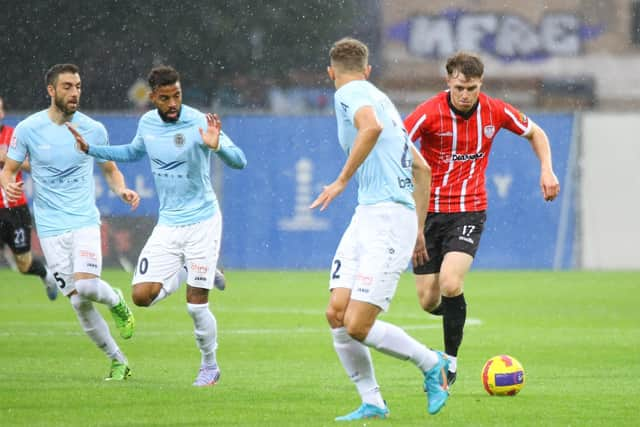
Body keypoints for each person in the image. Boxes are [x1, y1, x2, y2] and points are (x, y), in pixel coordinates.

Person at [69, 65, 247, 386]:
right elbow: (132, 152)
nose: (173, 103)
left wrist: (217, 144)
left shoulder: (199, 122)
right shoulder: (147, 123)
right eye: (165, 98)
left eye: (177, 95)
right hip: (169, 224)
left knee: (196, 307)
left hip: (203, 222)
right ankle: (187, 270)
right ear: (153, 97)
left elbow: (240, 160)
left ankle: (209, 366)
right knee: (141, 296)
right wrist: (91, 150)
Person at [310, 37, 450, 421]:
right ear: (368, 69)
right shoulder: (382, 99)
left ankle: (431, 363)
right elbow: (423, 169)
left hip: (386, 220)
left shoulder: (349, 92)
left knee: (357, 324)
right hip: (372, 216)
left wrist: (340, 180)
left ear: (330, 72)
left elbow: (367, 129)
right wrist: (418, 228)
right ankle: (372, 400)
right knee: (337, 312)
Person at [403, 52, 561, 386]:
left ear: (481, 84)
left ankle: (449, 364)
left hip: (469, 211)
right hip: (428, 214)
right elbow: (395, 143)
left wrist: (546, 169)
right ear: (448, 81)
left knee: (450, 282)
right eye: (459, 87)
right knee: (428, 300)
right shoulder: (428, 113)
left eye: (471, 88)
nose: (464, 94)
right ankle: (456, 315)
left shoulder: (496, 111)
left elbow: (537, 133)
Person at [0, 64, 139, 381]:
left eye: (77, 86)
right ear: (51, 90)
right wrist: (7, 181)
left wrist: (122, 190)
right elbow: (9, 169)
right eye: (67, 86)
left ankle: (116, 300)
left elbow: (109, 169)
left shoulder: (93, 129)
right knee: (79, 304)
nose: (74, 92)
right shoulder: (28, 129)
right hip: (50, 228)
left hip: (83, 221)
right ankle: (118, 361)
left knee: (88, 286)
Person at [0, 96, 58, 300]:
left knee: (23, 264)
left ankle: (46, 275)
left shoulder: (14, 135)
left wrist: (7, 160)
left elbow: (34, 166)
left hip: (15, 210)